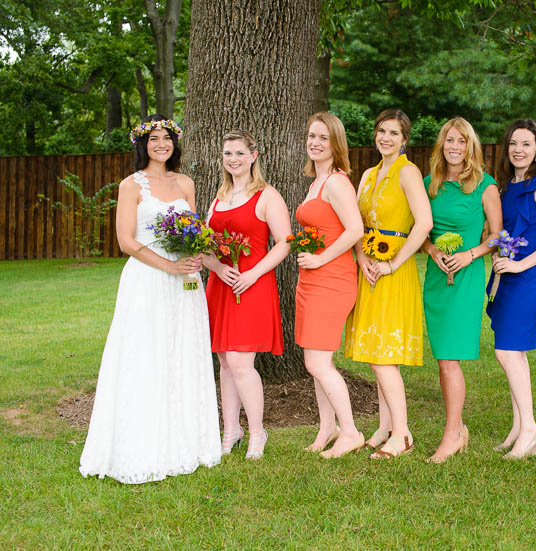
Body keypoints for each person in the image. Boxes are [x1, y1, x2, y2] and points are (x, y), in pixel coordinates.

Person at [79, 114, 221, 483]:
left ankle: (188, 440)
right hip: (147, 279)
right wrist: (167, 266)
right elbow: (126, 241)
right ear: (142, 144)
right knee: (146, 353)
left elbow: (197, 232)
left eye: (167, 138)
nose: (162, 144)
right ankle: (143, 442)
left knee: (184, 351)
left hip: (186, 282)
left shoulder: (185, 182)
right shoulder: (131, 185)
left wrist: (198, 260)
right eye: (154, 138)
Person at [344, 108, 433, 459]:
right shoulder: (367, 174)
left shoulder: (408, 172)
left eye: (394, 133)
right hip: (368, 266)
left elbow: (423, 223)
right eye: (381, 131)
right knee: (376, 354)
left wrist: (393, 263)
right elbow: (355, 222)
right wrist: (361, 257)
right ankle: (384, 426)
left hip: (394, 270)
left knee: (385, 356)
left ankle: (403, 435)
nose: (386, 138)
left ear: (405, 139)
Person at [202, 130, 290, 460]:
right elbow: (206, 247)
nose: (233, 159)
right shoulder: (219, 196)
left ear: (254, 156)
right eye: (228, 154)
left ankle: (257, 431)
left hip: (252, 284)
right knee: (224, 360)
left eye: (239, 153)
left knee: (241, 361)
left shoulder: (267, 195)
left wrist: (252, 274)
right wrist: (216, 267)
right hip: (222, 285)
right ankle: (231, 430)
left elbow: (284, 242)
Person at [421, 117, 503, 463]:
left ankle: (452, 433)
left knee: (450, 360)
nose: (454, 147)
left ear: (471, 146)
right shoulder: (430, 183)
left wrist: (470, 254)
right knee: (442, 358)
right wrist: (434, 252)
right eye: (449, 140)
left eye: (461, 141)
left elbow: (498, 236)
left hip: (466, 278)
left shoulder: (485, 186)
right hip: (437, 278)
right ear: (441, 145)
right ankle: (457, 430)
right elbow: (420, 232)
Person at [486, 119, 536, 459]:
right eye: (514, 144)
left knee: (506, 352)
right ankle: (519, 427)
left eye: (527, 144)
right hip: (506, 276)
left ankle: (531, 428)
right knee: (514, 353)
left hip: (528, 277)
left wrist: (520, 264)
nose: (519, 149)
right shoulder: (507, 187)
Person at [295, 113, 365, 458]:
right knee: (315, 361)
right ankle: (328, 428)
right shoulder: (316, 182)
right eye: (311, 136)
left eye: (323, 137)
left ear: (336, 144)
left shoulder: (336, 182)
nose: (315, 143)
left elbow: (355, 230)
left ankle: (351, 432)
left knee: (318, 363)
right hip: (311, 279)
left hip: (332, 279)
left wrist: (320, 259)